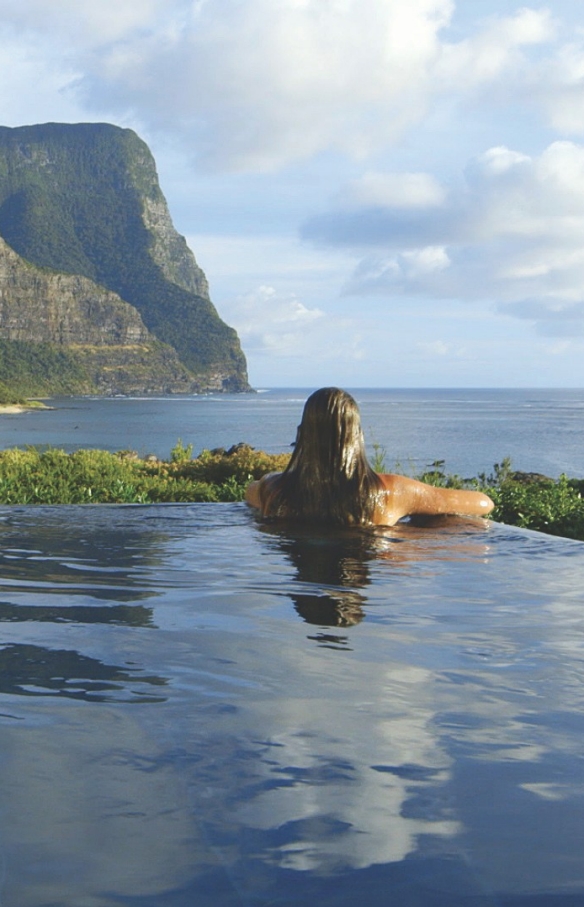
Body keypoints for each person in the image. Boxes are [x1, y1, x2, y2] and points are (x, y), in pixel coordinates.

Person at [245, 387, 494, 527]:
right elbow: (483, 503)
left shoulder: (273, 490)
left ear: (303, 434)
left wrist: (272, 478)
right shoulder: (390, 492)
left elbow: (250, 491)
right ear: (357, 436)